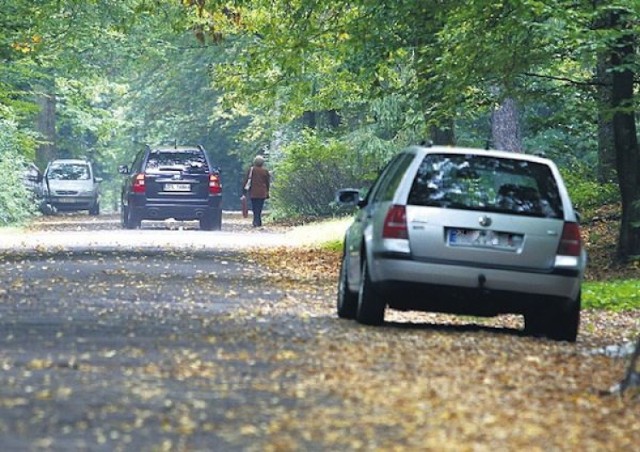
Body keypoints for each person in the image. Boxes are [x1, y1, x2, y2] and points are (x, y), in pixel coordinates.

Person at [242, 155, 270, 227]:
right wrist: (267, 191)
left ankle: (255, 221)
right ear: (262, 163)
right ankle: (258, 221)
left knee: (254, 207)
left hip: (253, 192)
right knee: (259, 207)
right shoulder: (265, 171)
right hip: (262, 192)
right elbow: (267, 182)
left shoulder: (251, 170)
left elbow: (246, 180)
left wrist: (244, 191)